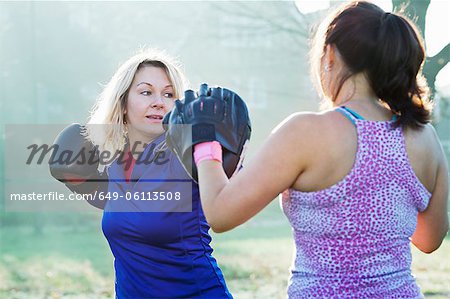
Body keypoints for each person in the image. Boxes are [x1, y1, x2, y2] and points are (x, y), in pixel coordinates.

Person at [167, 1, 449, 298]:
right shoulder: (425, 137)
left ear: (329, 55)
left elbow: (221, 214)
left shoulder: (305, 132)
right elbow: (429, 239)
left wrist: (203, 139)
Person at [50, 49, 233, 298]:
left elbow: (232, 192)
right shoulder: (114, 162)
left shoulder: (189, 155)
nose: (159, 101)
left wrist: (218, 148)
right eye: (146, 92)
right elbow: (110, 201)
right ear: (122, 103)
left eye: (168, 94)